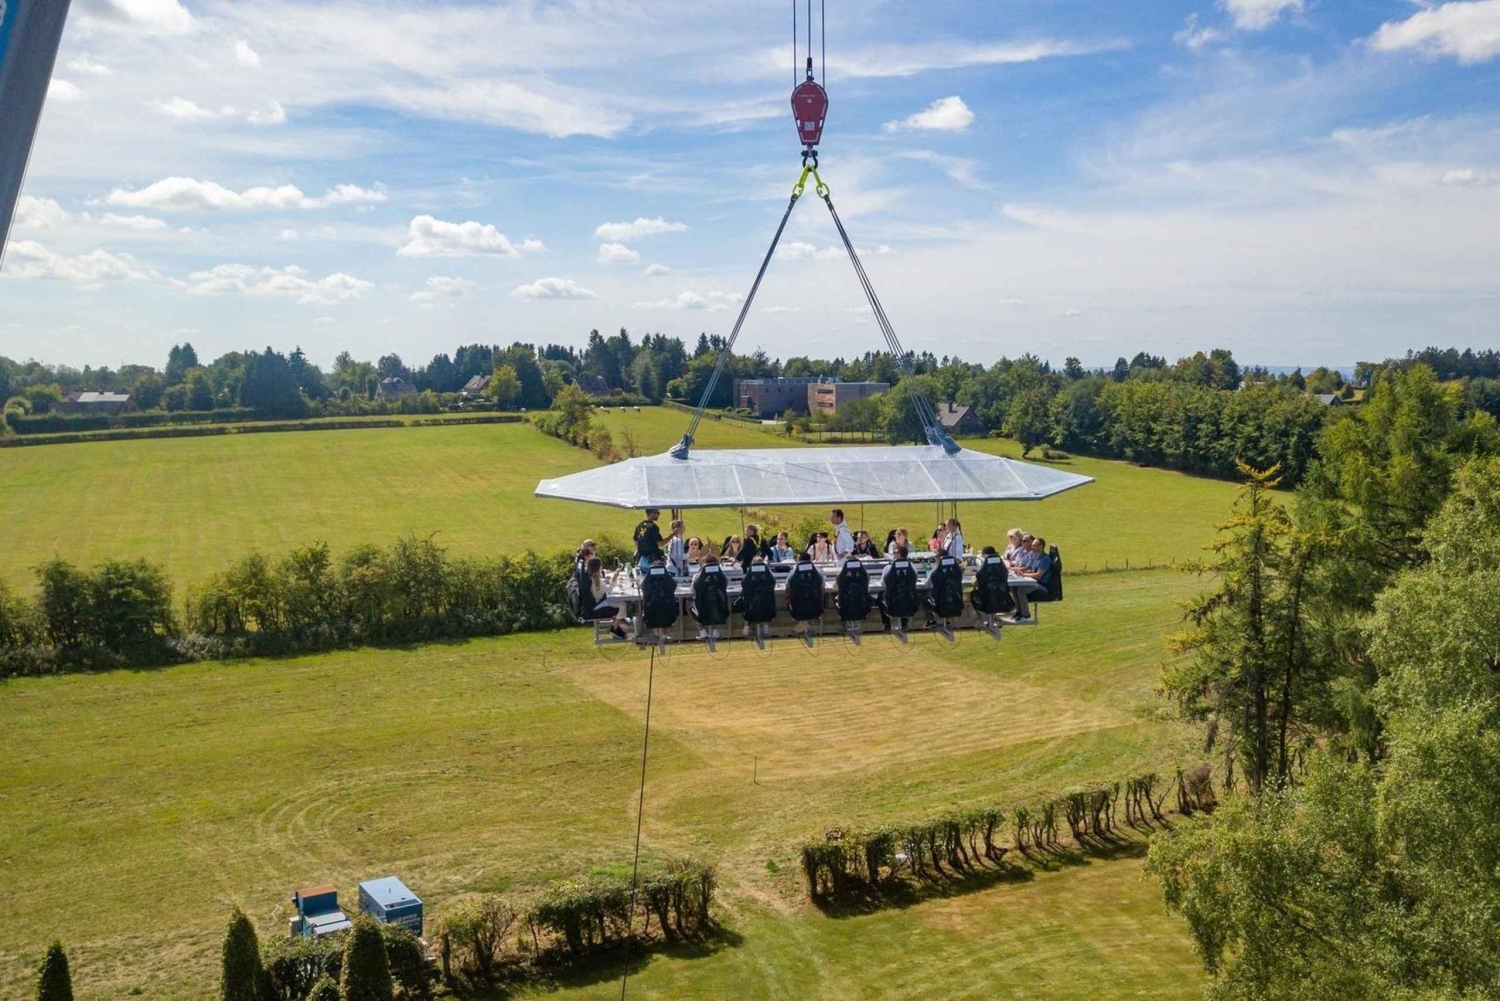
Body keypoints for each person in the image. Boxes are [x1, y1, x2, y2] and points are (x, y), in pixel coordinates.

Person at [586, 556, 629, 639]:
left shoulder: (593, 577)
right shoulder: (596, 579)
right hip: (599, 603)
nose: (602, 567)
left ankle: (619, 622)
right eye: (601, 566)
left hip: (599, 600)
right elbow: (608, 590)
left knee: (621, 604)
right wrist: (614, 578)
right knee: (622, 605)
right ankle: (615, 627)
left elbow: (603, 588)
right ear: (597, 567)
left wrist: (608, 580)